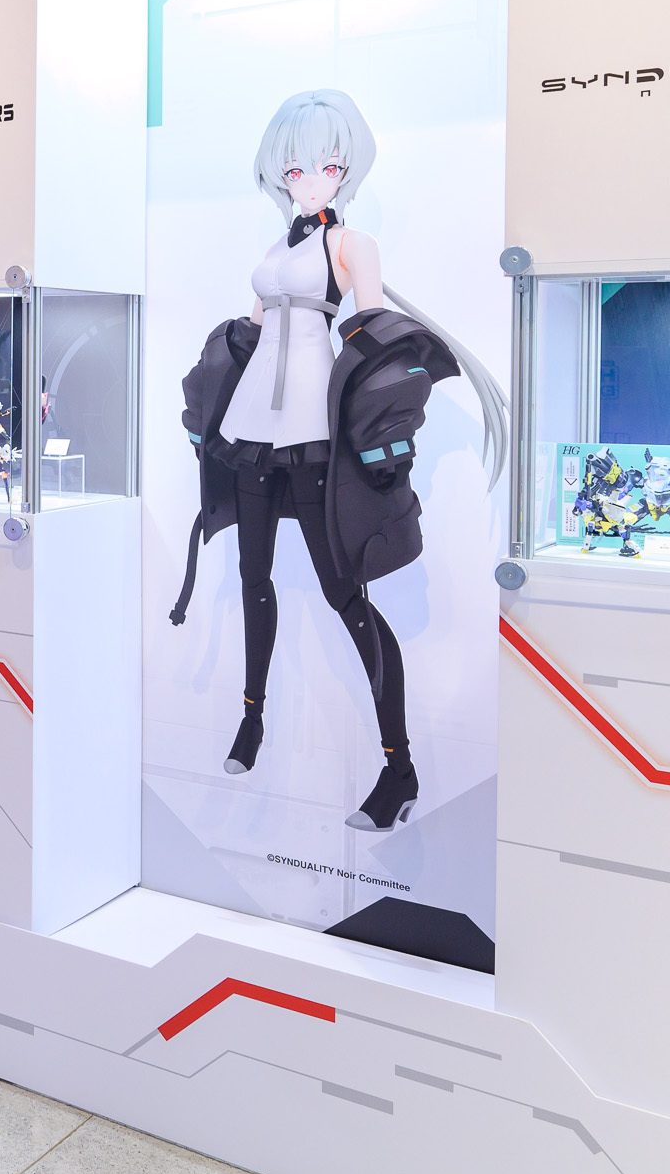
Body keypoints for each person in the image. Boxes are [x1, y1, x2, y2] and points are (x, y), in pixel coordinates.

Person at [174, 90, 506, 833]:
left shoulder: (351, 245)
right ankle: (252, 720)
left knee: (344, 594)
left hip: (311, 431)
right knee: (252, 577)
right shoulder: (275, 250)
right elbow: (251, 336)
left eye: (324, 166)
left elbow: (367, 334)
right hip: (252, 430)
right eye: (294, 169)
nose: (309, 181)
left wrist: (383, 418)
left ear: (346, 168)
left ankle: (399, 767)